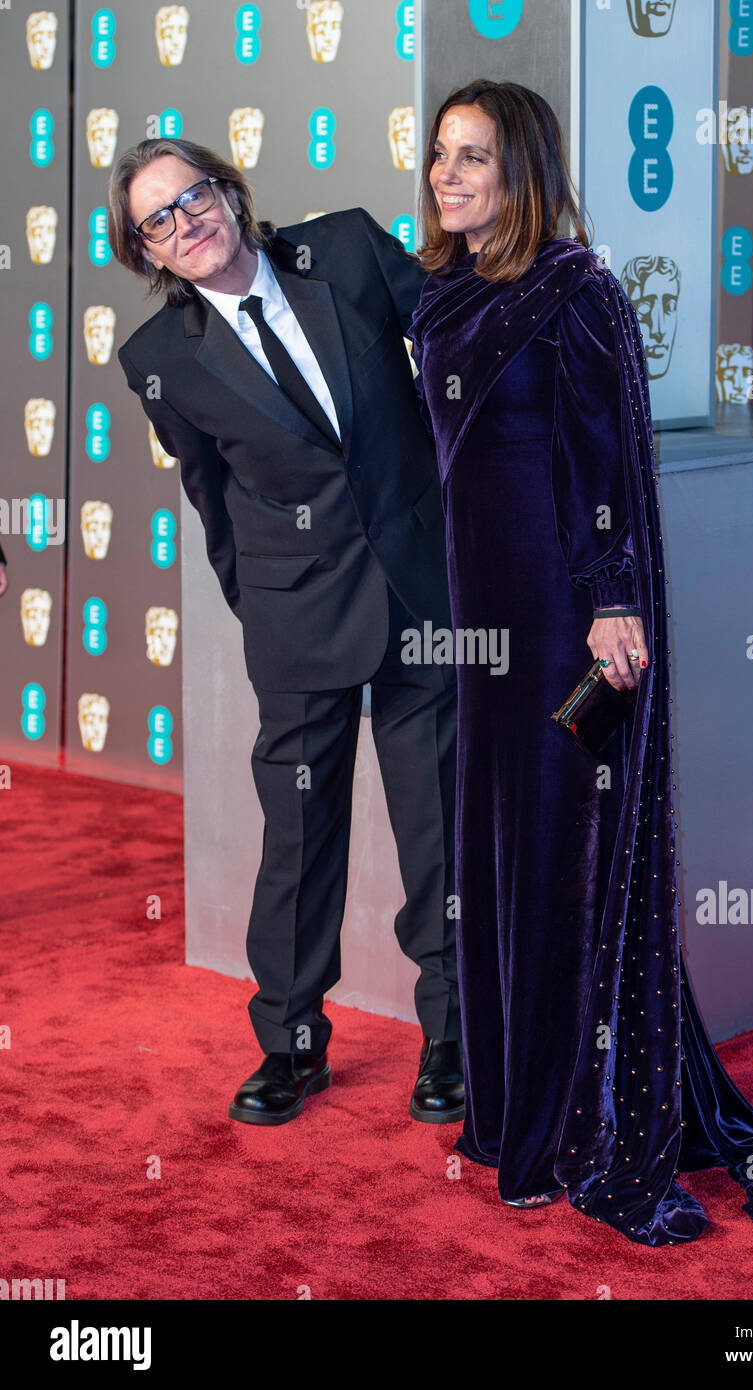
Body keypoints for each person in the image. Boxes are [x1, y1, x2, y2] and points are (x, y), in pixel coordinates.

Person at [408, 80, 753, 1244]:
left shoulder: (578, 291)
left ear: (525, 169)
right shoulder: (444, 291)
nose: (451, 177)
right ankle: (513, 1110)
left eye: (476, 158)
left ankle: (578, 1118)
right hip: (484, 632)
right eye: (442, 156)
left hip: (570, 629)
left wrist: (612, 606)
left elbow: (601, 458)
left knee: (572, 850)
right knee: (503, 850)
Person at [109, 138, 463, 1128]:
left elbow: (455, 344)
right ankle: (291, 1044)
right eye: (159, 220)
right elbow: (209, 497)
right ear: (146, 254)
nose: (188, 222)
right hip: (295, 618)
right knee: (299, 840)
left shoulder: (343, 249)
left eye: (197, 196)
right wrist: (262, 605)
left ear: (231, 191)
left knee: (437, 825)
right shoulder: (159, 361)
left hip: (418, 595)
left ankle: (451, 1038)